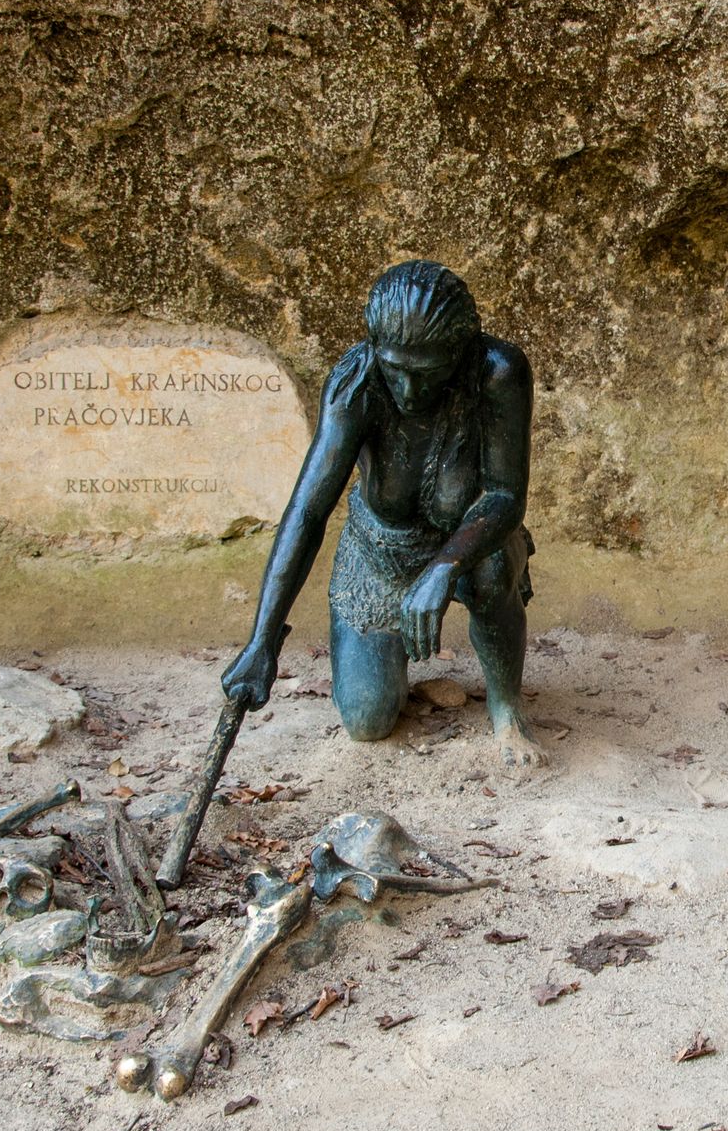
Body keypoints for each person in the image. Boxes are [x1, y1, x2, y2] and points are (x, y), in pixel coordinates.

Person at [221, 260, 542, 765]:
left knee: (492, 567)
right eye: (396, 369)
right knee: (367, 720)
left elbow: (504, 495)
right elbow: (307, 511)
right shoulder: (356, 385)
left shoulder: (498, 372)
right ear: (376, 351)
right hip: (380, 548)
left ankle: (506, 706)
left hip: (471, 537)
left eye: (427, 372)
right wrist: (263, 641)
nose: (409, 391)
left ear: (460, 352)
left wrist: (443, 568)